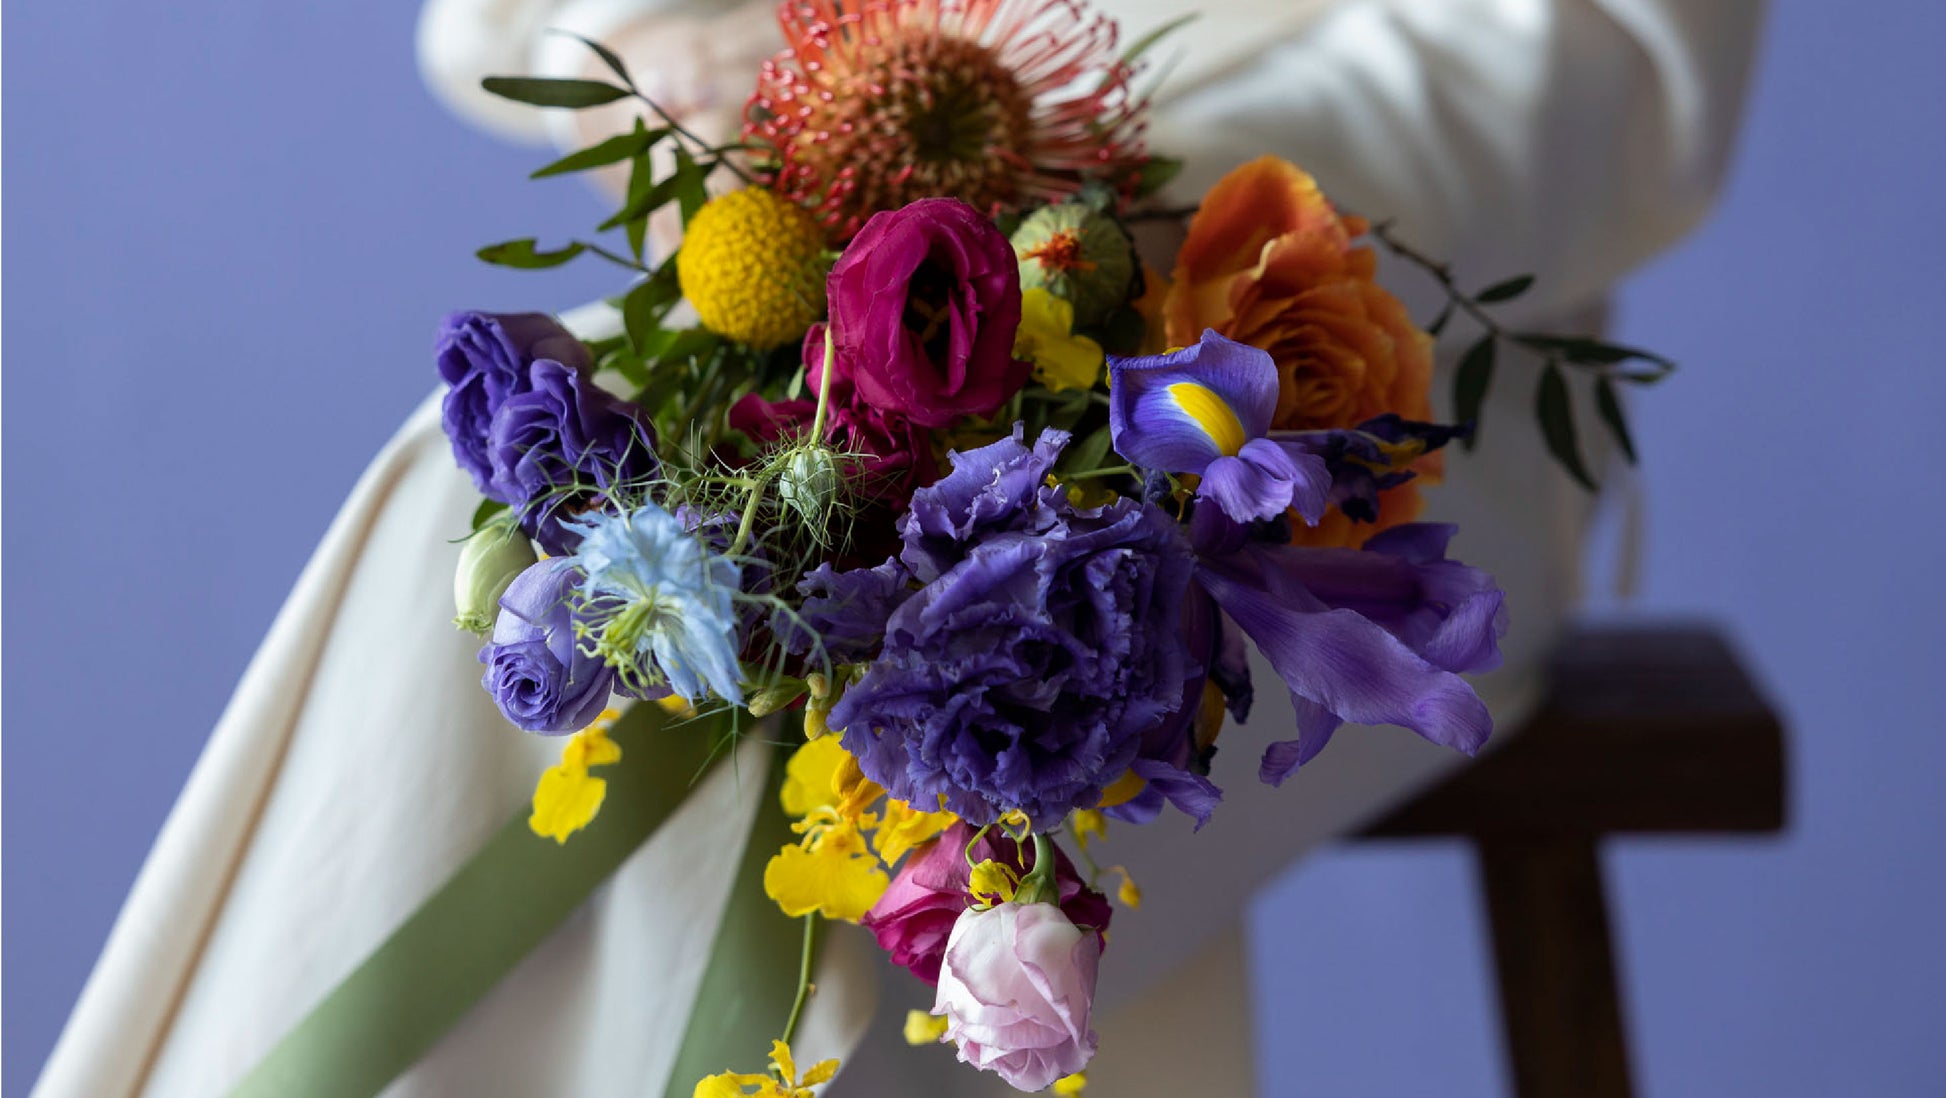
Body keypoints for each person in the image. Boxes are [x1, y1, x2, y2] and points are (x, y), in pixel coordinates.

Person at [33, 1, 1765, 1095]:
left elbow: (1602, 53)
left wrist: (1084, 194)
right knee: (500, 492)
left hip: (1321, 336)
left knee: (947, 630)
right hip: (839, 204)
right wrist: (686, 51)